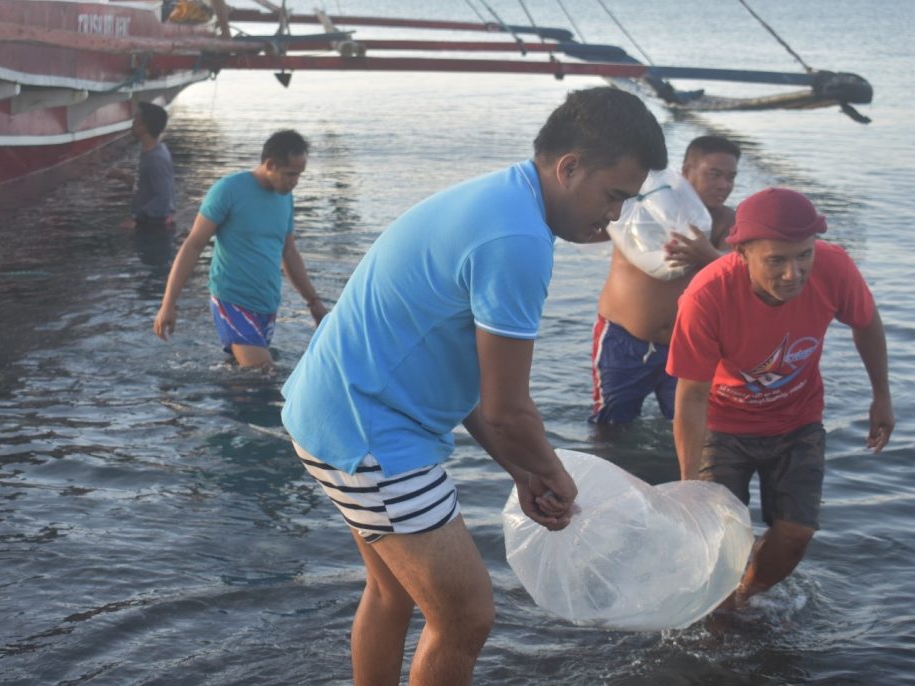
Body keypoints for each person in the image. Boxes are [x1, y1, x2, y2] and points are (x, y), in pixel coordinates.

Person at [280, 88, 667, 685]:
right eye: (613, 195)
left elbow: (475, 387)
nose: (615, 217)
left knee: (391, 592)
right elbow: (509, 411)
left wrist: (523, 470)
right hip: (371, 435)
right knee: (465, 617)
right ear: (569, 168)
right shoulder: (517, 243)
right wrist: (554, 474)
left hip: (332, 408)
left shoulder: (503, 200)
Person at [667, 187, 894, 609]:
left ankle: (742, 598)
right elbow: (691, 396)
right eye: (776, 260)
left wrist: (882, 395)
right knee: (719, 538)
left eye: (803, 255)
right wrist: (688, 487)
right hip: (722, 424)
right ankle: (714, 613)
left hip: (798, 419)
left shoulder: (834, 266)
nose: (794, 273)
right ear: (742, 254)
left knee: (796, 534)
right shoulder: (706, 296)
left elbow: (866, 321)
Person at [591, 135, 740, 423]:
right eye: (714, 174)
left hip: (686, 347)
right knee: (610, 427)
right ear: (686, 171)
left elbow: (747, 270)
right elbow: (586, 228)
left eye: (731, 177)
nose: (724, 185)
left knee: (694, 427)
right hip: (623, 339)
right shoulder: (642, 208)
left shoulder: (727, 222)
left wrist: (707, 254)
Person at [153, 129, 327, 369]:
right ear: (270, 164)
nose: (295, 182)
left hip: (266, 303)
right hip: (231, 299)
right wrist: (169, 303)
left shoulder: (285, 197)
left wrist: (313, 301)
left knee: (243, 379)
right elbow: (193, 245)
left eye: (299, 175)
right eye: (290, 174)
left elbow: (288, 252)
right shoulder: (228, 190)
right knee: (263, 372)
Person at [111, 101, 176, 230]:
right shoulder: (153, 151)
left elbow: (163, 198)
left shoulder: (156, 159)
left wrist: (136, 220)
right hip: (151, 223)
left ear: (145, 127)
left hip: (154, 228)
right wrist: (123, 176)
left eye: (136, 120)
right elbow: (146, 187)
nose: (132, 123)